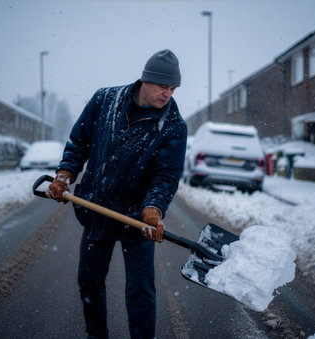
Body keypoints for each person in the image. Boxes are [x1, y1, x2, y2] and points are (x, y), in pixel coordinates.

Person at [47, 49, 187, 339]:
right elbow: (78, 143)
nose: (168, 94)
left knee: (140, 291)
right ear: (146, 80)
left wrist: (153, 209)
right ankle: (96, 336)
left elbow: (165, 176)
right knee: (89, 282)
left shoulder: (173, 126)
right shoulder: (104, 101)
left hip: (138, 220)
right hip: (96, 209)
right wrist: (64, 175)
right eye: (163, 86)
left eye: (173, 88)